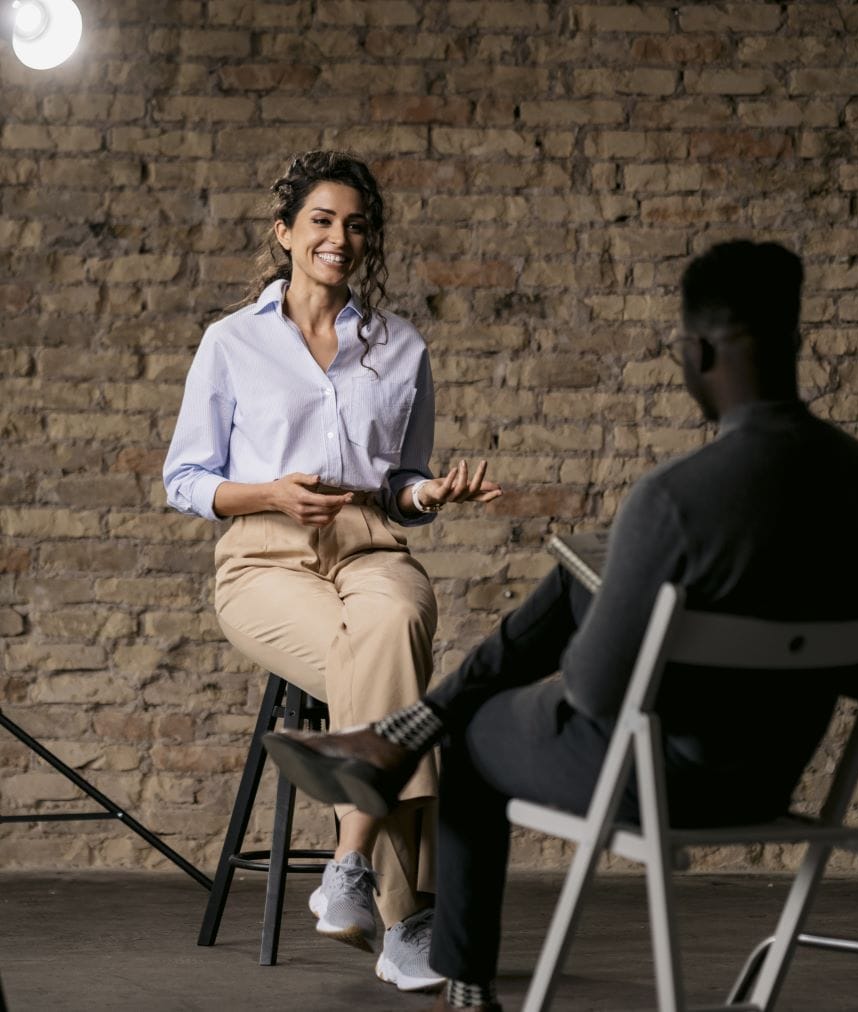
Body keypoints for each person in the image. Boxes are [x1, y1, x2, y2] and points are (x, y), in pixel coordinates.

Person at [262, 239, 858, 1011]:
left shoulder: (675, 500)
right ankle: (402, 732)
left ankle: (461, 971)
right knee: (581, 576)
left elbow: (596, 692)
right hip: (776, 775)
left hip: (658, 783)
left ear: (695, 353)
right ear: (797, 344)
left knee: (477, 730)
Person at [162, 150, 501, 994]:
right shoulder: (232, 342)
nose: (338, 238)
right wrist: (270, 492)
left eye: (355, 224)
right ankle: (407, 921)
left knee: (391, 622)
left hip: (370, 546)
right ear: (285, 233)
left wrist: (429, 492)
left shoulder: (401, 346)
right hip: (263, 555)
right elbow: (185, 481)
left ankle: (347, 862)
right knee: (395, 680)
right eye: (321, 220)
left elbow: (397, 484)